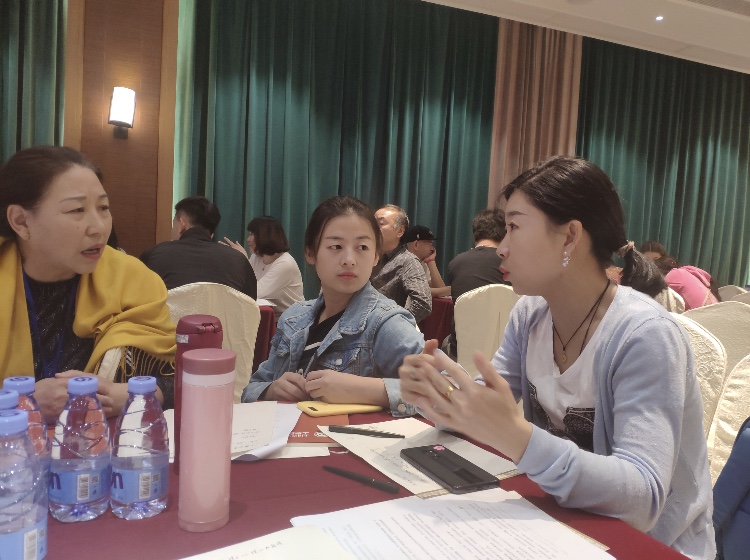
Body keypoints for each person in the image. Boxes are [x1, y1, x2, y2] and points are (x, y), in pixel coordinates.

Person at [399, 156, 714, 559]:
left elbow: (642, 499)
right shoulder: (531, 315)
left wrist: (516, 436)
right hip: (562, 527)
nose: (502, 249)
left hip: (650, 546)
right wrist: (436, 395)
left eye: (514, 227)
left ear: (569, 237)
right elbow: (484, 408)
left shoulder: (644, 335)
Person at [0, 146, 176, 422]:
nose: (99, 227)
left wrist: (125, 395)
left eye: (103, 208)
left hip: (105, 442)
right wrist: (21, 403)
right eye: (77, 210)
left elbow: (177, 378)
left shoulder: (133, 280)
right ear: (21, 221)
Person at [242, 196, 424, 414]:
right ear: (311, 253)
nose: (349, 260)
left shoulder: (384, 322)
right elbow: (250, 390)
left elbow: (448, 391)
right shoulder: (293, 318)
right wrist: (271, 390)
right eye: (336, 246)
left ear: (376, 256)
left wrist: (363, 390)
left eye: (362, 247)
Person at [140, 196, 257, 298]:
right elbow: (250, 304)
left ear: (182, 224)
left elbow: (140, 299)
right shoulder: (238, 260)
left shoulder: (155, 254)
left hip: (171, 318)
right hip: (224, 318)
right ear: (212, 233)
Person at [442, 209, 510, 357]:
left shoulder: (455, 263)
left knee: (446, 341)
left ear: (475, 234)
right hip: (505, 351)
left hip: (462, 352)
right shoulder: (511, 264)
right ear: (504, 234)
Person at [222, 216, 303, 317]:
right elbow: (242, 283)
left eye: (251, 234)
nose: (248, 239)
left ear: (265, 236)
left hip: (292, 319)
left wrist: (243, 260)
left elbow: (254, 291)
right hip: (269, 315)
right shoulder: (256, 257)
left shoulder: (285, 263)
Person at [371, 204, 432, 323]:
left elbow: (423, 304)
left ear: (400, 231)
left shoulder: (407, 261)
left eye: (380, 223)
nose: (373, 228)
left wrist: (395, 325)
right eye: (372, 223)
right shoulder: (365, 255)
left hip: (379, 328)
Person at [655, 255, 719, 310]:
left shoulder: (672, 275)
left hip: (700, 314)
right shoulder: (687, 271)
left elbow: (662, 301)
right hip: (715, 310)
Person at [403, 225, 451, 297]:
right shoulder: (404, 262)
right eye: (430, 243)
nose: (432, 248)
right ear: (416, 244)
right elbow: (416, 290)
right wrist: (450, 290)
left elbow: (439, 289)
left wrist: (430, 261)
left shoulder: (423, 264)